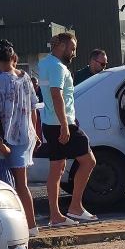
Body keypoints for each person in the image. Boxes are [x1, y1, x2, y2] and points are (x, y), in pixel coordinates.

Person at [0, 40, 40, 237]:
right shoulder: (26, 77)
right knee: (22, 184)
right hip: (26, 134)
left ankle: (23, 226)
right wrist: (35, 131)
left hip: (8, 135)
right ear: (14, 58)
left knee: (10, 186)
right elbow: (33, 107)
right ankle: (31, 225)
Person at [39, 33, 97, 226]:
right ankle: (75, 207)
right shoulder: (57, 67)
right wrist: (65, 125)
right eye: (72, 48)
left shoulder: (44, 63)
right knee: (89, 161)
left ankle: (56, 215)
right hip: (62, 124)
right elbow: (56, 95)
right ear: (62, 46)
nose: (74, 53)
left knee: (57, 168)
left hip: (50, 122)